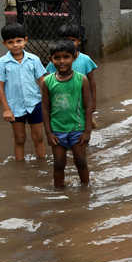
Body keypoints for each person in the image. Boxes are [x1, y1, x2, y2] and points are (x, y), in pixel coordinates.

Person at [41, 40, 93, 188]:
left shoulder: (81, 79)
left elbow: (88, 106)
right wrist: (49, 133)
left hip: (77, 129)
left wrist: (87, 131)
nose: (62, 61)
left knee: (81, 162)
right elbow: (45, 108)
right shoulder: (47, 82)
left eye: (66, 57)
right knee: (58, 164)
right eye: (57, 58)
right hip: (57, 130)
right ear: (51, 59)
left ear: (74, 57)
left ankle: (86, 190)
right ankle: (59, 192)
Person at [0, 23, 47, 161]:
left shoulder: (34, 59)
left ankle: (41, 163)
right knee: (19, 139)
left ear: (25, 40)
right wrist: (6, 109)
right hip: (14, 107)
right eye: (10, 42)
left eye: (19, 41)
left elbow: (42, 82)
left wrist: (48, 101)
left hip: (35, 103)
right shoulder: (1, 63)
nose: (15, 45)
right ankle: (20, 167)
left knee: (39, 138)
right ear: (4, 43)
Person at [45, 24, 97, 128]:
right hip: (63, 102)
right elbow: (48, 84)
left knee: (85, 127)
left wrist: (93, 102)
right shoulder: (54, 63)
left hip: (81, 101)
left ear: (79, 41)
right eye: (65, 40)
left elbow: (92, 83)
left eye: (73, 40)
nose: (69, 44)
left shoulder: (85, 60)